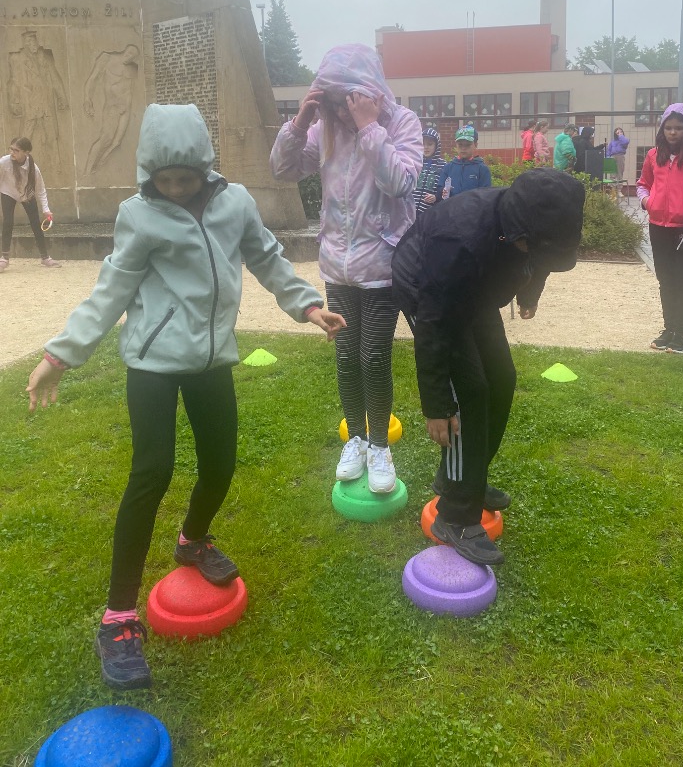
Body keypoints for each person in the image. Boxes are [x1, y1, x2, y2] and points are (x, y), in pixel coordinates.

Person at [25, 103, 345, 691]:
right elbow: (111, 289)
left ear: (205, 167)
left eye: (185, 179)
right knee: (152, 473)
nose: (175, 189)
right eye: (165, 180)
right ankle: (118, 618)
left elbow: (266, 256)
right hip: (152, 364)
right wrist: (59, 355)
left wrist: (307, 304)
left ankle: (192, 540)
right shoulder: (139, 216)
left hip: (211, 360)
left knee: (220, 464)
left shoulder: (235, 203)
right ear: (150, 175)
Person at [392, 169, 585, 564]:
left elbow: (541, 258)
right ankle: (455, 516)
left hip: (475, 284)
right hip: (428, 288)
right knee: (470, 391)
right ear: (517, 232)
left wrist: (529, 294)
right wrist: (437, 404)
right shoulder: (459, 239)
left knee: (501, 378)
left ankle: (469, 478)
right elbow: (434, 323)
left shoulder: (536, 224)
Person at [270, 43, 423, 493]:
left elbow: (401, 183)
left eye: (346, 99)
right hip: (336, 266)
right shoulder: (324, 129)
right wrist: (300, 122)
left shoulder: (401, 123)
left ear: (367, 91)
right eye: (332, 100)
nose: (340, 109)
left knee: (373, 355)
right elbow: (281, 169)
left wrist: (370, 126)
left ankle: (379, 446)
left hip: (382, 265)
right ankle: (355, 439)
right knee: (345, 356)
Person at [636, 104, 683, 354]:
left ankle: (682, 333)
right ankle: (669, 329)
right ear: (662, 129)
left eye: (679, 128)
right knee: (665, 279)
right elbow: (643, 184)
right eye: (668, 128)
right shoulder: (653, 155)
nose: (673, 132)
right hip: (658, 226)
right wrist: (648, 202)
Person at [0, 137, 60, 270]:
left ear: (26, 152)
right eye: (11, 149)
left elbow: (41, 190)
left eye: (16, 150)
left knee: (35, 224)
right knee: (7, 222)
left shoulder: (34, 168)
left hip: (27, 194)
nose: (12, 152)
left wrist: (46, 210)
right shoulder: (4, 162)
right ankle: (4, 258)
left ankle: (45, 257)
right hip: (8, 192)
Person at [83, 45, 141, 175]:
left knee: (117, 142)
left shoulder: (133, 68)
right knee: (106, 138)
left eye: (133, 56)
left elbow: (130, 90)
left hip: (126, 108)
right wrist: (87, 98)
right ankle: (87, 171)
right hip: (112, 107)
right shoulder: (107, 58)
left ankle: (99, 163)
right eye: (129, 52)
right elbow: (93, 79)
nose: (129, 57)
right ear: (125, 50)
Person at [436, 124, 491, 199]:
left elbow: (486, 195)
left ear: (475, 145)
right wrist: (443, 191)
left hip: (472, 206)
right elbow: (440, 189)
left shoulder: (482, 169)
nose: (463, 148)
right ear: (456, 145)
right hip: (451, 206)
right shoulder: (448, 167)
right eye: (460, 145)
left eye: (468, 145)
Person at [413, 126, 446, 214]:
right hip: (410, 209)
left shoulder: (443, 165)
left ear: (436, 145)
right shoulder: (416, 162)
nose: (426, 147)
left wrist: (436, 197)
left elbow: (444, 188)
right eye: (423, 144)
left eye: (430, 144)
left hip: (429, 212)